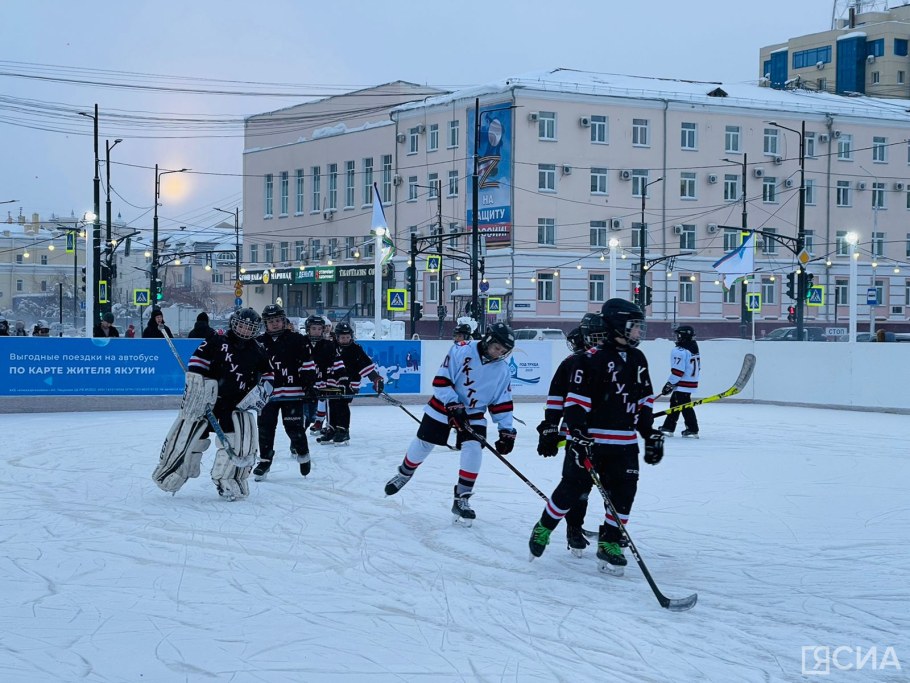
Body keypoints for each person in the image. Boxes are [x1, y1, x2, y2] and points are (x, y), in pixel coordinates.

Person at [527, 299, 664, 576]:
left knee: (624, 494)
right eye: (634, 325)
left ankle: (610, 541)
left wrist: (649, 433)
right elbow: (575, 402)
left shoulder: (638, 359)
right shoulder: (587, 360)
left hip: (625, 443)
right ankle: (545, 525)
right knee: (571, 490)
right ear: (617, 326)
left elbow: (644, 401)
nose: (639, 331)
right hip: (591, 441)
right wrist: (574, 434)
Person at [384, 322, 517, 526]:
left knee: (474, 449)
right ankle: (404, 474)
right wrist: (454, 404)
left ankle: (462, 497)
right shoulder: (461, 350)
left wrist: (506, 430)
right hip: (444, 406)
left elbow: (502, 401)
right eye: (497, 348)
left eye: (503, 351)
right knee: (424, 442)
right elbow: (441, 382)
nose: (499, 353)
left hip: (473, 413)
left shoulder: (502, 370)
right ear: (488, 340)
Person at [152, 308, 274, 500]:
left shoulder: (258, 350)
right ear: (234, 324)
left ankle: (228, 479)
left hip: (234, 406)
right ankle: (172, 472)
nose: (245, 330)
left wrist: (262, 392)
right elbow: (196, 363)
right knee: (190, 438)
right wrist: (199, 383)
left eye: (250, 328)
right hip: (207, 402)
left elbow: (268, 375)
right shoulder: (216, 340)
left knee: (239, 441)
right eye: (242, 325)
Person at [535, 318, 600, 555]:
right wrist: (551, 428)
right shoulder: (572, 363)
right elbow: (557, 398)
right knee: (578, 485)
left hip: (608, 436)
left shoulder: (615, 360)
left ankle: (610, 533)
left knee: (607, 485)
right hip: (579, 435)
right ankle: (574, 528)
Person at [252, 304, 317, 479]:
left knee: (294, 428)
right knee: (265, 429)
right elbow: (251, 367)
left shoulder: (297, 340)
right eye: (270, 321)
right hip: (267, 395)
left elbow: (307, 364)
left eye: (277, 320)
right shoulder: (258, 342)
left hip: (292, 393)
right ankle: (265, 461)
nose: (274, 324)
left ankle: (303, 453)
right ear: (265, 323)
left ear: (283, 321)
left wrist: (309, 385)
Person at [316, 322, 383, 445]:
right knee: (331, 404)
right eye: (343, 337)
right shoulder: (331, 347)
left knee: (341, 405)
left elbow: (365, 365)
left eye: (348, 337)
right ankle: (331, 429)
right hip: (332, 383)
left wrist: (375, 379)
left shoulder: (356, 349)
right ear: (337, 337)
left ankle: (343, 430)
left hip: (350, 384)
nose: (346, 339)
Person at [304, 315, 345, 435]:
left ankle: (323, 423)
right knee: (304, 410)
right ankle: (303, 427)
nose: (317, 331)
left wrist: (343, 378)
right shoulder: (301, 343)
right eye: (313, 328)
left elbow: (338, 362)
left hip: (323, 380)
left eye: (319, 329)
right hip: (305, 382)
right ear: (308, 329)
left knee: (325, 399)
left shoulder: (328, 345)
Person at [659, 325, 701, 438]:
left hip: (683, 383)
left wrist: (669, 384)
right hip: (690, 382)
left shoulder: (679, 351)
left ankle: (692, 429)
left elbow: (678, 372)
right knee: (676, 403)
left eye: (679, 335)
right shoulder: (693, 347)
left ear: (683, 336)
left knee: (684, 406)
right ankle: (668, 427)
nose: (677, 337)